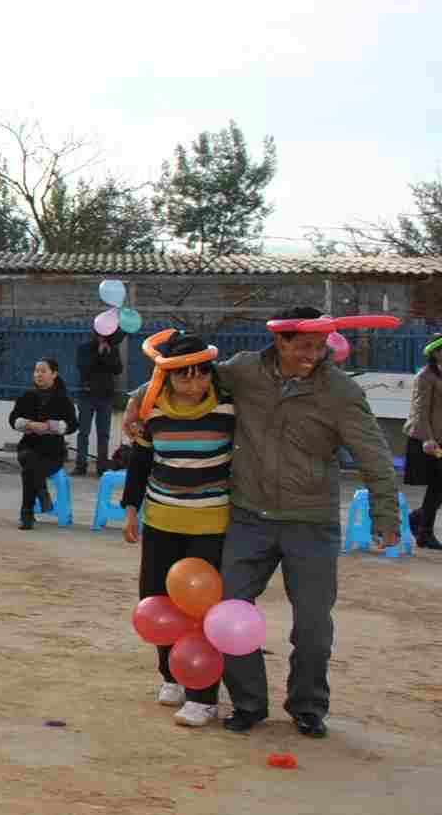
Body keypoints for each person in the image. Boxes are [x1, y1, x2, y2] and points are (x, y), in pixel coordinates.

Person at [131, 308, 398, 739]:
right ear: (280, 341)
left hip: (311, 523)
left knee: (313, 625)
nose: (314, 354)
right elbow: (186, 373)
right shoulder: (245, 371)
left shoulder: (340, 391)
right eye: (304, 346)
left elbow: (375, 455)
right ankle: (249, 704)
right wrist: (138, 402)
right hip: (249, 518)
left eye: (320, 346)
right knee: (227, 611)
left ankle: (308, 706)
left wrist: (386, 514)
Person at [121, 332, 234, 727]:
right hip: (162, 520)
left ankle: (204, 697)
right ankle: (171, 674)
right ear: (167, 377)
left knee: (202, 608)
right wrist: (131, 509)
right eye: (184, 376)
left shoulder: (228, 408)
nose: (194, 384)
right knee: (157, 599)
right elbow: (141, 461)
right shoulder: (151, 409)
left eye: (202, 374)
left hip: (210, 523)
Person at [10, 357, 78, 530]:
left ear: (54, 374)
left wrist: (51, 426)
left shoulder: (63, 399)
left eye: (43, 371)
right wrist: (29, 424)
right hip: (28, 447)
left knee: (30, 470)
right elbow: (13, 419)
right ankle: (42, 495)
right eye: (36, 371)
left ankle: (27, 513)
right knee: (29, 460)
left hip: (53, 453)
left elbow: (72, 425)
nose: (38, 374)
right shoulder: (27, 396)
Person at [406, 336, 442, 551]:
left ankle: (417, 519)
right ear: (436, 352)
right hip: (429, 439)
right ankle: (424, 533)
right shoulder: (425, 376)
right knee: (437, 485)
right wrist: (428, 439)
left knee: (439, 487)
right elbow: (419, 410)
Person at [74, 328, 124, 474]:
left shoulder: (112, 348)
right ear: (95, 334)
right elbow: (83, 367)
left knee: (103, 434)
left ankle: (101, 467)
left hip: (106, 396)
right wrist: (98, 353)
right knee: (83, 432)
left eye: (106, 335)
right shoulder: (85, 348)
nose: (103, 338)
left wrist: (108, 354)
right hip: (87, 395)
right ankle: (80, 466)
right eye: (100, 335)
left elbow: (118, 369)